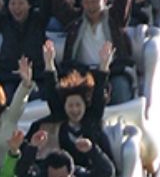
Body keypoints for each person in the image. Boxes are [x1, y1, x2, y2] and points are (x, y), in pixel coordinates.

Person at [60, 0, 135, 104]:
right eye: (86, 2)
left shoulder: (114, 18)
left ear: (104, 0)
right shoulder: (76, 22)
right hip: (83, 74)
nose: (91, 7)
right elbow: (58, 5)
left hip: (113, 72)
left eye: (95, 1)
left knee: (120, 89)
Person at [39, 39, 116, 167]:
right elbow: (52, 94)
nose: (74, 110)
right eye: (70, 106)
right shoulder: (61, 118)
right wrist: (49, 63)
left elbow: (98, 96)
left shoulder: (92, 119)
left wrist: (104, 66)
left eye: (78, 105)